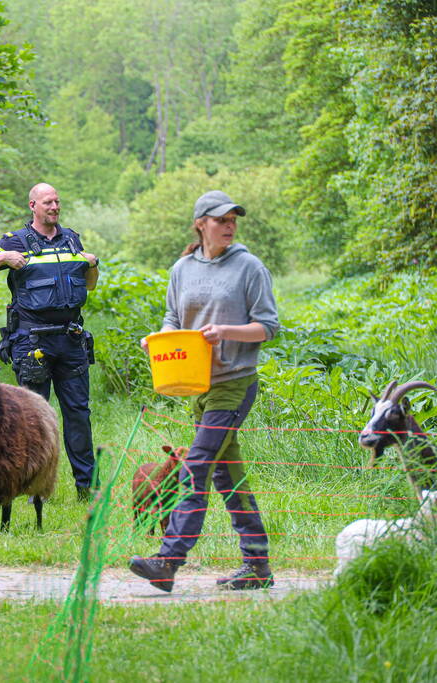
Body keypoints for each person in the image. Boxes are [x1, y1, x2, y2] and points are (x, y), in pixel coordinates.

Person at [129, 190, 279, 592]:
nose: (229, 226)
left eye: (233, 220)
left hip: (234, 384)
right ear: (201, 224)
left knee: (196, 465)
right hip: (197, 384)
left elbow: (268, 326)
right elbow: (173, 317)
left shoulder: (249, 267)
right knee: (229, 478)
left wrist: (224, 332)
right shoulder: (182, 268)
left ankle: (168, 559)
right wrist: (158, 339)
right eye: (221, 220)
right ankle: (258, 566)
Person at [0, 183, 100, 501]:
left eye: (57, 201)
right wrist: (1, 260)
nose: (54, 207)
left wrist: (92, 265)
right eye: (48, 202)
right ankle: (32, 488)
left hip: (71, 339)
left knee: (78, 414)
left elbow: (90, 286)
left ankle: (86, 488)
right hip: (32, 343)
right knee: (32, 418)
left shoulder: (71, 239)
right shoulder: (15, 241)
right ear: (32, 206)